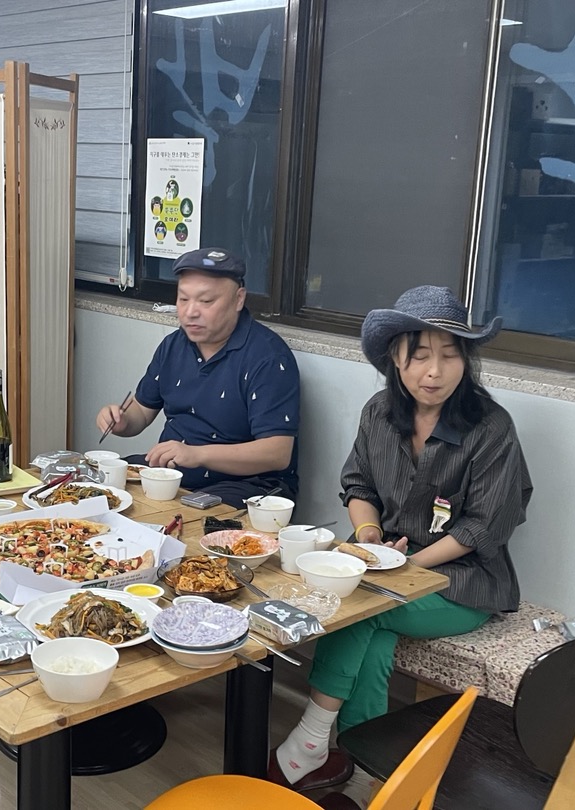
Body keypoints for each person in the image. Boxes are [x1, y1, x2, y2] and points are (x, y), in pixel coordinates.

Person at [267, 286, 532, 791]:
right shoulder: (379, 412)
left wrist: (405, 566)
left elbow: (483, 527)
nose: (435, 372)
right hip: (384, 564)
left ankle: (311, 736)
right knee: (373, 635)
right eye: (420, 355)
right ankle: (369, 770)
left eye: (450, 355)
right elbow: (358, 486)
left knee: (360, 608)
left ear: (467, 360)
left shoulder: (491, 426)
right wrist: (369, 535)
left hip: (461, 582)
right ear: (395, 357)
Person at [95, 248, 300, 507]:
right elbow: (142, 413)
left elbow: (277, 453)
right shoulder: (173, 345)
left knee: (184, 517)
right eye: (183, 299)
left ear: (239, 299)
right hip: (171, 473)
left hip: (247, 485)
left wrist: (196, 454)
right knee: (97, 487)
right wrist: (121, 420)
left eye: (206, 301)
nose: (190, 312)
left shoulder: (267, 356)